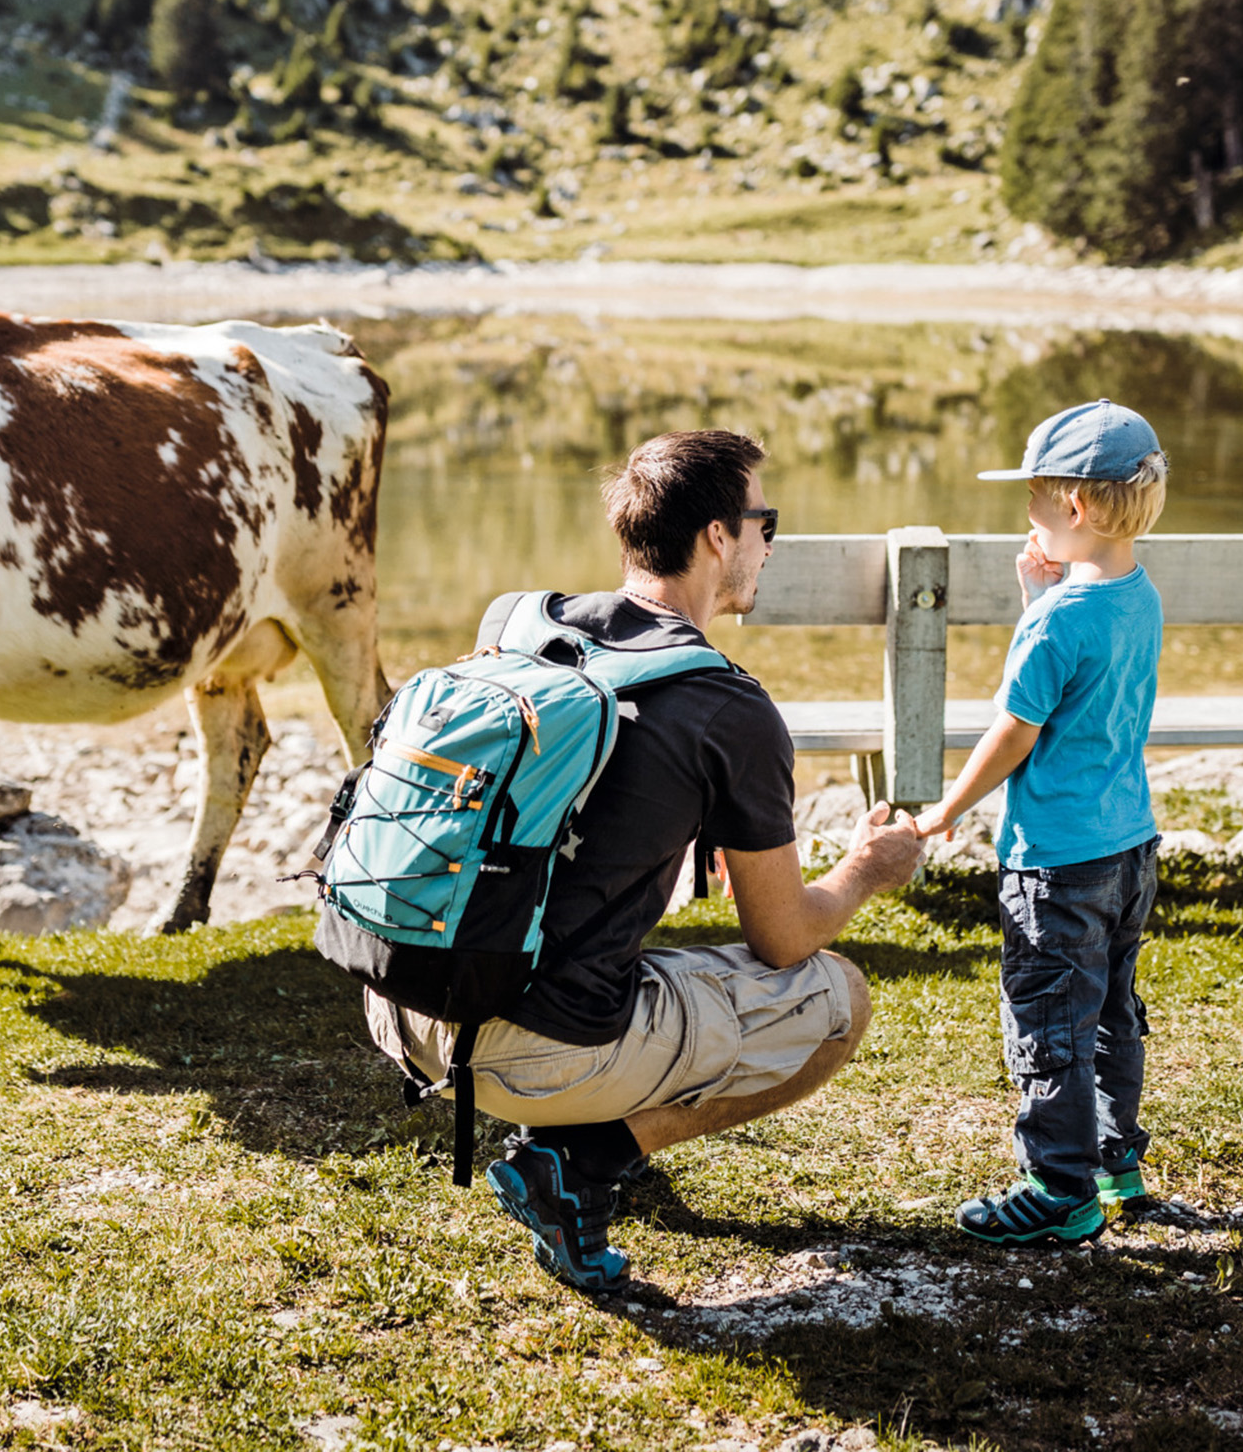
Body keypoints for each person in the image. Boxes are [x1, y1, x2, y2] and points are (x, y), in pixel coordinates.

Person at [360, 428, 930, 1294]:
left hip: (401, 1001)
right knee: (835, 998)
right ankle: (581, 1161)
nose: (768, 544)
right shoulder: (725, 706)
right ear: (716, 536)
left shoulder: (519, 622)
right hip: (530, 1058)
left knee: (639, 960)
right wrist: (865, 868)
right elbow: (783, 939)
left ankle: (569, 1130)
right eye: (763, 523)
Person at [913, 399, 1175, 1247]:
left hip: (1056, 864)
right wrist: (1041, 597)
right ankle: (1113, 1159)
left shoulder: (1061, 620)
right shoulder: (1138, 596)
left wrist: (946, 810)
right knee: (1109, 1013)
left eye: (1034, 497)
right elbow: (1084, 687)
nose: (1025, 512)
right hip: (1129, 847)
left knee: (1048, 1022)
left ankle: (1059, 1190)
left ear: (1077, 508)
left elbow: (1017, 729)